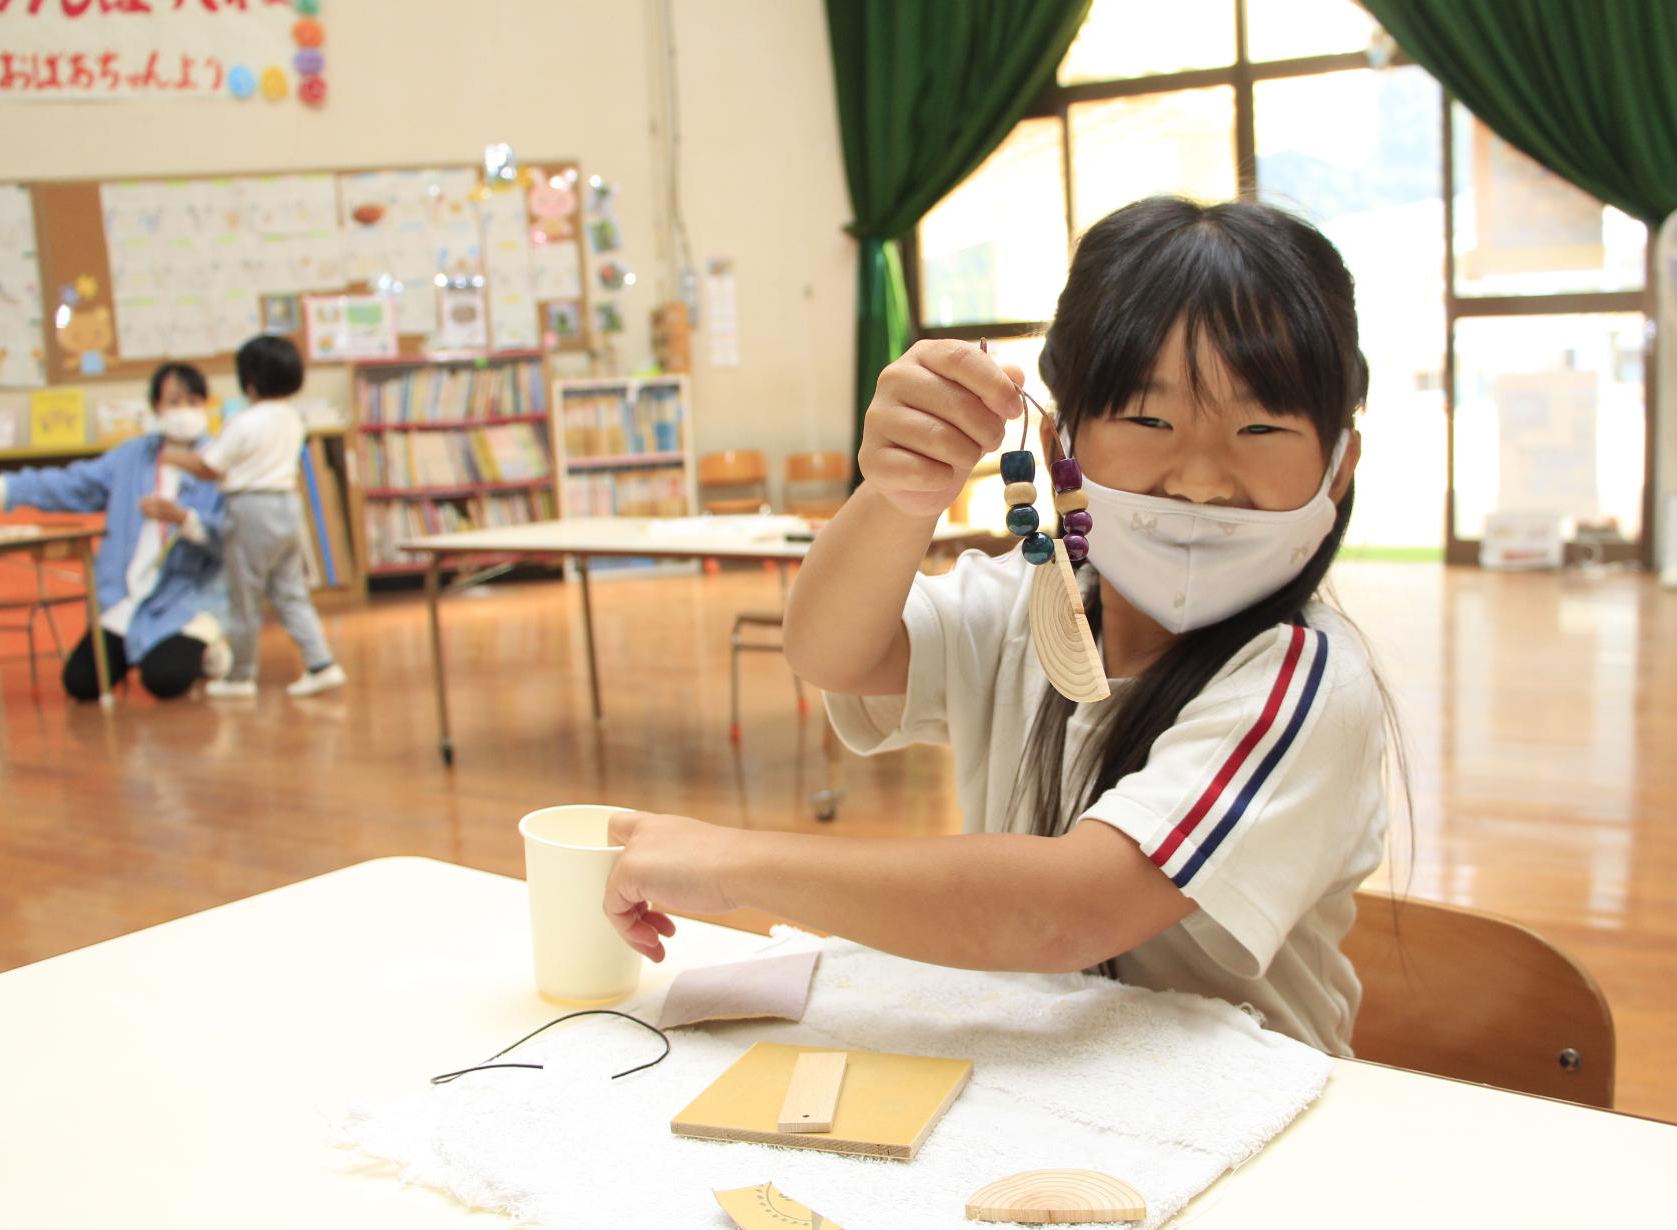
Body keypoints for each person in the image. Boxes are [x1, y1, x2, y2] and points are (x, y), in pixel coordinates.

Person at [598, 197, 1397, 1055]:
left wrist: (730, 864)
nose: (1199, 479)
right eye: (1150, 419)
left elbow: (1067, 911)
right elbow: (831, 649)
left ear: (1339, 464)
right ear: (1061, 440)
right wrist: (899, 496)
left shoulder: (1306, 677)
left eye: (1261, 426)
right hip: (1047, 1082)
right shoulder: (1033, 601)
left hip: (1245, 1119)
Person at [0, 362, 232, 702]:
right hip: (128, 597)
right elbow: (70, 484)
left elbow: (233, 538)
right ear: (156, 407)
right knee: (82, 683)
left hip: (185, 597)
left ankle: (208, 652)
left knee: (164, 678)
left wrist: (186, 519)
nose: (184, 412)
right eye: (174, 402)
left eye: (193, 401)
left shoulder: (219, 460)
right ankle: (145, 649)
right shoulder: (132, 457)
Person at [165, 335, 345, 699]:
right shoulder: (292, 418)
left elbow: (209, 467)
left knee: (243, 596)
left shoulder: (244, 421)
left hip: (250, 510)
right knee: (290, 592)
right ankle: (321, 663)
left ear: (248, 379)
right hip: (286, 506)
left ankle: (241, 676)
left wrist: (170, 457)